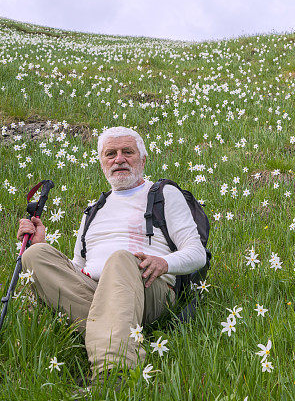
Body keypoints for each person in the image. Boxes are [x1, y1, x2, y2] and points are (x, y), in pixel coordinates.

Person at [17, 126, 207, 384]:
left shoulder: (163, 194)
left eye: (127, 152)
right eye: (111, 154)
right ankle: (112, 329)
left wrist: (164, 263)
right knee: (36, 255)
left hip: (147, 287)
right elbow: (76, 267)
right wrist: (39, 244)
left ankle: (114, 373)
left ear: (143, 159)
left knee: (119, 258)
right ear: (101, 163)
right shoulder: (93, 210)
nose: (119, 159)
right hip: (95, 290)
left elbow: (197, 253)